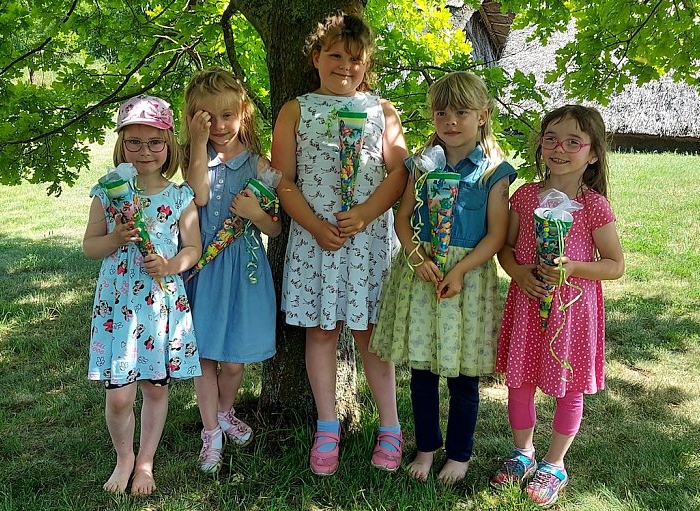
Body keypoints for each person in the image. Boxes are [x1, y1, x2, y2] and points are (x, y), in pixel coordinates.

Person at [271, 12, 409, 476]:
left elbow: (400, 173)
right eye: (334, 56)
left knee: (373, 336)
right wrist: (312, 224)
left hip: (368, 241)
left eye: (355, 59)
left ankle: (390, 427)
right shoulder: (296, 110)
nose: (345, 66)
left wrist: (367, 213)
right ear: (316, 58)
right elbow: (282, 180)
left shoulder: (382, 112)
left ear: (367, 63)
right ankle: (327, 425)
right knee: (322, 332)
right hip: (317, 244)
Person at [370, 71, 516, 484]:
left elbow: (496, 234)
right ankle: (427, 447)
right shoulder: (421, 164)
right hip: (422, 274)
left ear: (483, 115)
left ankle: (460, 454)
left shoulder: (493, 172)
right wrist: (417, 258)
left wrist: (460, 269)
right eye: (441, 113)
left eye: (462, 112)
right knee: (423, 373)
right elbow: (402, 220)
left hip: (466, 283)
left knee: (465, 375)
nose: (450, 121)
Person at [492, 105, 625, 507]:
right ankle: (523, 452)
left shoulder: (594, 206)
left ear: (593, 154)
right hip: (529, 304)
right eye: (550, 138)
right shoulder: (526, 196)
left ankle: (554, 464)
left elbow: (615, 265)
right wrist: (518, 273)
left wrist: (573, 268)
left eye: (573, 142)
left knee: (568, 387)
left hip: (573, 313)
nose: (559, 148)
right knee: (520, 381)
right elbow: (508, 248)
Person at [84, 95, 202, 495]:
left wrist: (171, 266)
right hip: (118, 306)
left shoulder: (179, 196)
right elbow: (90, 247)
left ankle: (146, 461)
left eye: (155, 142)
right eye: (133, 142)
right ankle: (124, 457)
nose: (145, 151)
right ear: (121, 144)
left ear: (168, 144)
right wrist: (115, 237)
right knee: (119, 397)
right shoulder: (107, 192)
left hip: (159, 305)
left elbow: (192, 248)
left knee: (156, 388)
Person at [182, 68, 280, 475]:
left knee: (235, 358)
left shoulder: (259, 164)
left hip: (244, 271)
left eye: (227, 116)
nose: (220, 126)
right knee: (204, 354)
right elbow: (199, 193)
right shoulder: (197, 158)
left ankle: (225, 412)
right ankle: (211, 431)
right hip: (204, 268)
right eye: (208, 118)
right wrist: (198, 143)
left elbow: (274, 227)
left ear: (243, 113)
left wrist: (256, 212)